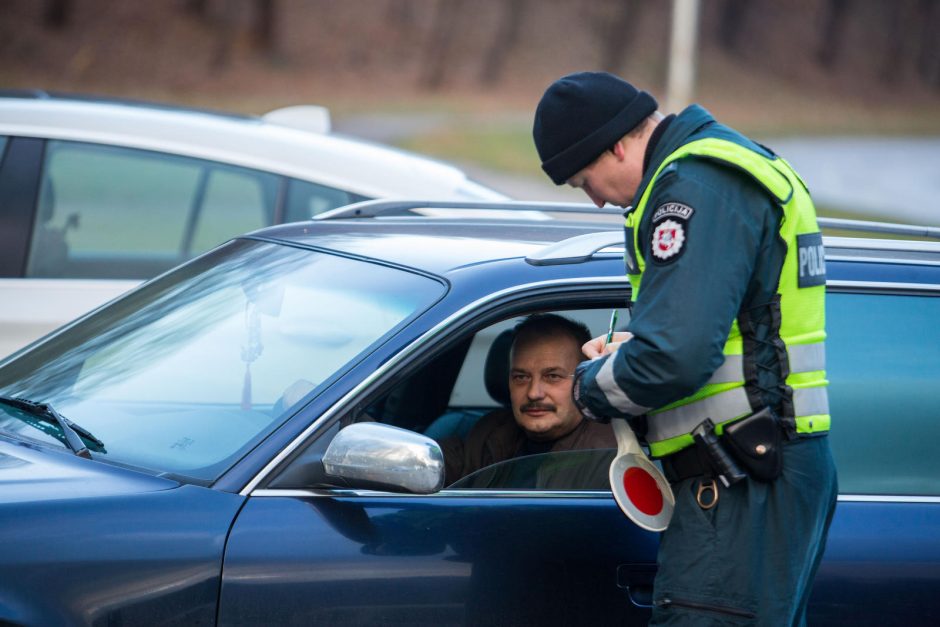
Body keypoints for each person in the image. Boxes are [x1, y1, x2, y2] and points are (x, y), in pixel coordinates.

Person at [532, 71, 838, 626]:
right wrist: (634, 348)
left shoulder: (696, 187)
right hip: (757, 469)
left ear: (618, 144)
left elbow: (673, 359)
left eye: (584, 180)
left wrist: (587, 386)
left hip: (741, 480)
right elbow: (731, 334)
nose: (596, 201)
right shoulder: (726, 169)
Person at [441, 313, 615, 486]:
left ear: (582, 380)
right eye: (521, 377)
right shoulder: (489, 433)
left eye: (552, 376)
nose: (533, 393)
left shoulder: (609, 456)